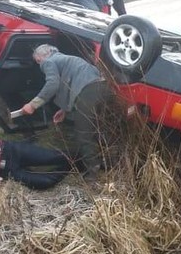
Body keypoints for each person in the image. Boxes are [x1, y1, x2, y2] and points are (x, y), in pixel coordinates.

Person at [18, 44, 112, 179]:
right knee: (100, 129)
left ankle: (93, 170)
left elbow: (53, 84)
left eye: (38, 61)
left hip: (87, 94)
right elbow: (72, 83)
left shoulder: (48, 62)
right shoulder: (69, 59)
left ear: (46, 54)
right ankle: (111, 162)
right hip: (104, 89)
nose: (40, 65)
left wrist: (33, 104)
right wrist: (65, 109)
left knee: (84, 134)